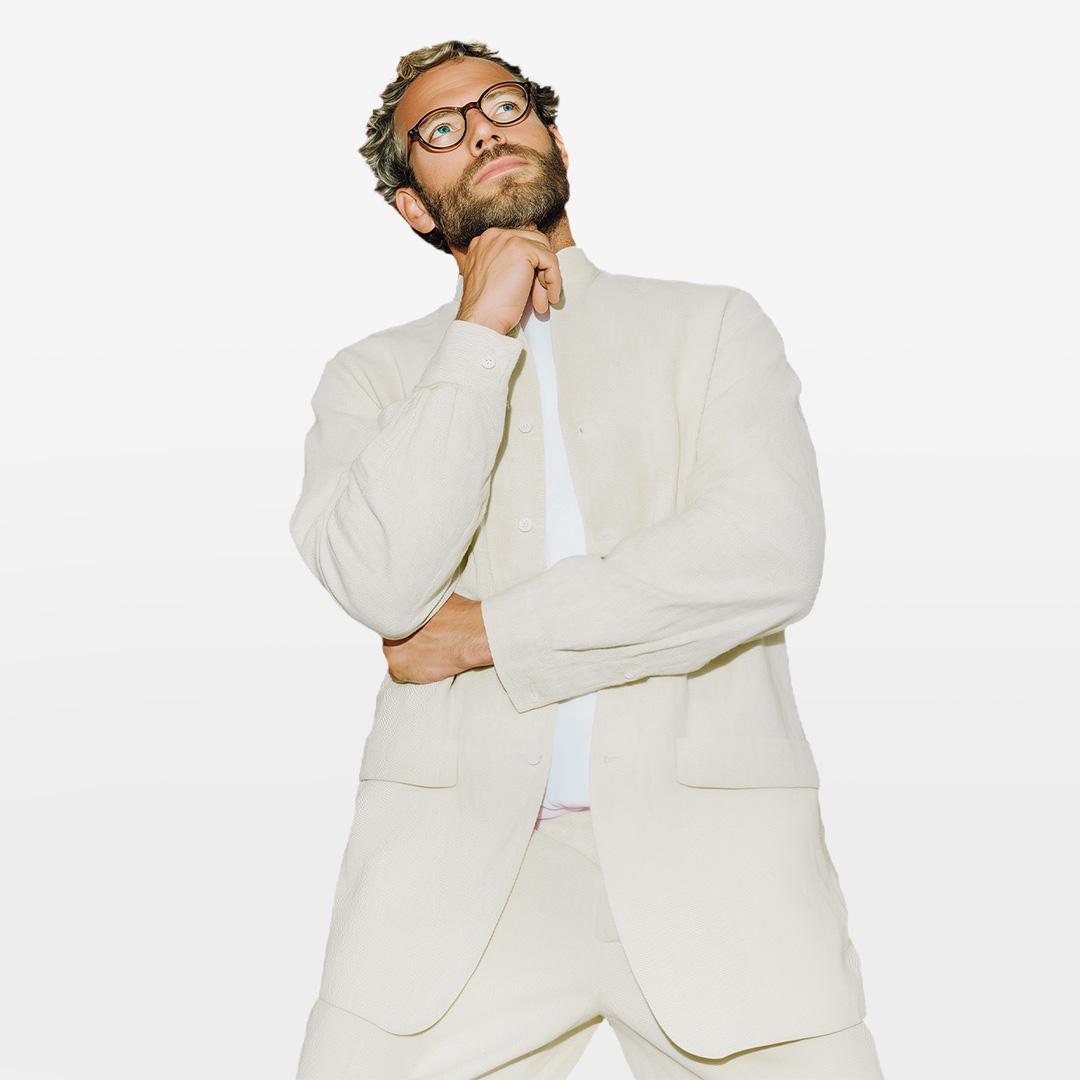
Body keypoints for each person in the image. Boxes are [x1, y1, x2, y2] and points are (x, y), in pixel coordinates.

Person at [289, 38, 884, 1079]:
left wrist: (489, 636)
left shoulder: (713, 327)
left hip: (721, 875)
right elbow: (381, 584)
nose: (484, 129)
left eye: (505, 105)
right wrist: (480, 331)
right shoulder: (374, 379)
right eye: (442, 129)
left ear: (556, 137)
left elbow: (769, 553)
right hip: (452, 895)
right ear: (415, 209)